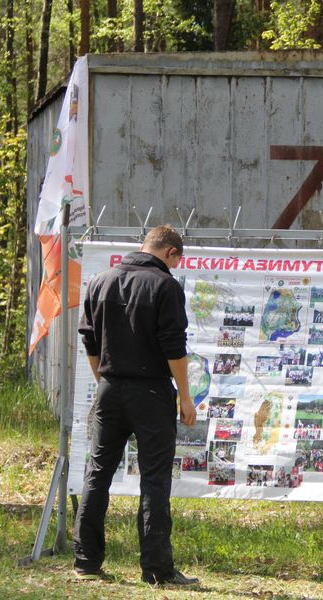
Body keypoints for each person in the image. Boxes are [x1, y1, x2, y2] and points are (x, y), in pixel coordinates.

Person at [74, 224, 199, 587]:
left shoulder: (100, 280)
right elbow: (174, 346)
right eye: (176, 261)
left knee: (97, 474)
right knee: (155, 481)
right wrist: (185, 396)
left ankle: (86, 561)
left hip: (110, 388)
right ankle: (157, 570)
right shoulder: (165, 286)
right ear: (171, 253)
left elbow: (89, 340)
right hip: (151, 393)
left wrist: (105, 382)